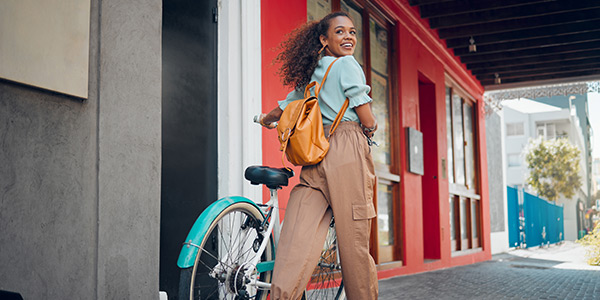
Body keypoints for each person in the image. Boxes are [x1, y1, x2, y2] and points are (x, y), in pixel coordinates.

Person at [257, 11, 379, 300]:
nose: (348, 37)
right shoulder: (347, 64)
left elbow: (283, 108)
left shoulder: (313, 72)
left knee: (295, 241)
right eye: (340, 32)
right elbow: (364, 110)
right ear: (324, 39)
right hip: (347, 150)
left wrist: (265, 119)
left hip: (315, 155)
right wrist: (371, 127)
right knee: (354, 243)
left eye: (352, 32)